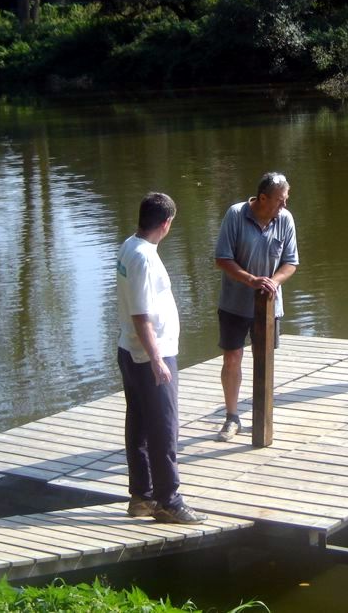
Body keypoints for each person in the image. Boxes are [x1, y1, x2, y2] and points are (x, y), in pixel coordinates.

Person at [116, 192, 207, 524]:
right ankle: (169, 501)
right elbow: (141, 316)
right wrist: (156, 359)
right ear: (166, 223)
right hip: (148, 354)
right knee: (164, 429)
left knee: (139, 425)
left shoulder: (130, 245)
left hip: (130, 350)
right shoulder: (142, 258)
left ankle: (142, 496)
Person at [214, 172, 299, 442]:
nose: (284, 205)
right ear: (263, 198)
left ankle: (262, 414)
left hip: (269, 306)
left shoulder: (285, 219)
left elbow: (291, 262)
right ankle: (231, 417)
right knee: (232, 358)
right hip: (234, 304)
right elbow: (222, 258)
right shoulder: (236, 215)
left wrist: (272, 282)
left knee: (265, 361)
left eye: (286, 200)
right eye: (280, 200)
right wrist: (250, 279)